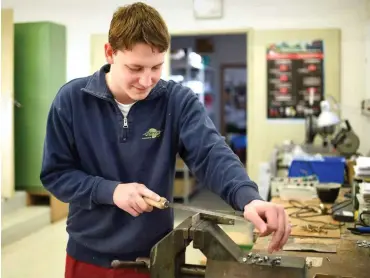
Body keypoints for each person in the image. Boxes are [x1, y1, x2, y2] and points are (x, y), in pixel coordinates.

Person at [40, 2, 291, 278]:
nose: (147, 81)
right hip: (88, 259)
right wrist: (111, 191)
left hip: (157, 258)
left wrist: (248, 199)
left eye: (156, 67)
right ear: (110, 53)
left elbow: (211, 154)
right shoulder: (72, 100)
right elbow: (56, 175)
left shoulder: (177, 101)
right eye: (135, 68)